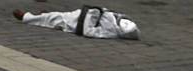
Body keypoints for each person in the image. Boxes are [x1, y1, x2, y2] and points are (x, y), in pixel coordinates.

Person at [12, 6, 140, 40]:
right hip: (80, 15)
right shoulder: (117, 17)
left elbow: (89, 32)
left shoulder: (110, 32)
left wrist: (93, 14)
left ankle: (27, 17)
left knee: (57, 19)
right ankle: (43, 15)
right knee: (59, 16)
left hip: (78, 22)